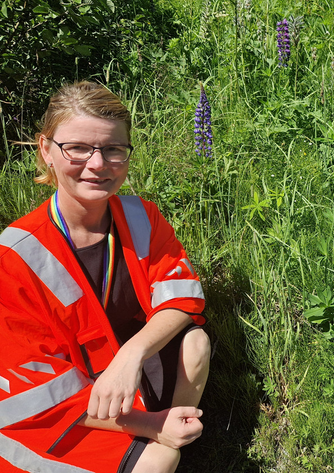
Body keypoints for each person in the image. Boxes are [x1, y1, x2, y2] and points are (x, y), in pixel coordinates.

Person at [0, 81, 211, 473]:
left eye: (113, 149)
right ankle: (162, 443)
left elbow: (182, 298)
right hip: (56, 417)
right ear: (45, 150)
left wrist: (130, 355)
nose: (97, 164)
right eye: (77, 148)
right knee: (160, 457)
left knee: (194, 343)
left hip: (118, 380)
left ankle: (179, 436)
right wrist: (150, 425)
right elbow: (38, 394)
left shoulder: (139, 216)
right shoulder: (13, 256)